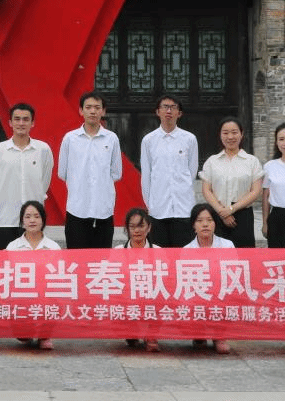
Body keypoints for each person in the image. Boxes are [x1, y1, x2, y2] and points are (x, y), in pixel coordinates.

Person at [57, 91, 123, 249]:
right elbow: (62, 172)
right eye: (88, 107)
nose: (93, 111)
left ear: (103, 111)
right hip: (77, 209)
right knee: (76, 258)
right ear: (81, 110)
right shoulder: (70, 139)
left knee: (102, 258)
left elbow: (116, 173)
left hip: (103, 210)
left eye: (97, 107)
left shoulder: (111, 138)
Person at [0, 103, 54, 250]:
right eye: (17, 119)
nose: (21, 123)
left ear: (32, 123)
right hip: (6, 218)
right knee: (6, 260)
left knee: (33, 260)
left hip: (34, 220)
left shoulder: (43, 149)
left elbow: (44, 182)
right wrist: (2, 204)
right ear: (10, 122)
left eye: (26, 119)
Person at [139, 94, 198, 248]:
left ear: (180, 113)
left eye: (173, 107)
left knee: (183, 254)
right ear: (157, 111)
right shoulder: (149, 140)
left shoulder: (189, 139)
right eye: (165, 107)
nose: (169, 111)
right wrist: (150, 204)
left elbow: (192, 172)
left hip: (183, 208)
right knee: (160, 255)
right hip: (158, 209)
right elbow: (146, 175)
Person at [199, 116, 263, 248]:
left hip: (243, 215)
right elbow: (206, 189)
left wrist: (232, 209)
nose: (230, 137)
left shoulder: (252, 161)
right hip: (218, 214)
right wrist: (222, 211)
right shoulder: (212, 161)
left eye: (234, 132)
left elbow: (256, 191)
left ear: (241, 134)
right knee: (218, 254)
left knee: (244, 255)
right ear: (220, 135)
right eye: (225, 133)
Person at [7, 200, 59, 350]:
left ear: (43, 220)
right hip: (21, 296)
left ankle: (45, 335)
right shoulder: (13, 247)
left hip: (46, 296)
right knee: (22, 336)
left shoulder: (53, 247)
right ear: (22, 221)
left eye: (36, 216)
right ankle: (25, 331)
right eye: (28, 216)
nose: (32, 220)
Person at [185, 202, 234, 355]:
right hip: (197, 294)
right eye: (200, 221)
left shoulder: (227, 245)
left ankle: (220, 335)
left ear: (215, 223)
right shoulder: (186, 250)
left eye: (209, 220)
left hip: (221, 292)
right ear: (193, 225)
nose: (205, 224)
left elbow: (234, 275)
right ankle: (198, 332)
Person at [116, 207, 159, 352]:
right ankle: (131, 331)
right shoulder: (118, 251)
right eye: (132, 227)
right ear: (127, 229)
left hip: (151, 297)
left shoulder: (158, 251)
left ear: (149, 228)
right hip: (126, 298)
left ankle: (152, 334)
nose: (137, 230)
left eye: (141, 226)